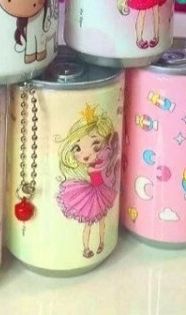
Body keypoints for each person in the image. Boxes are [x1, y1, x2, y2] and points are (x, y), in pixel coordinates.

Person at [56, 104, 120, 258]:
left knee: (100, 221)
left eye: (96, 147)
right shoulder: (93, 167)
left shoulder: (101, 164)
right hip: (92, 194)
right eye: (77, 148)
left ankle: (101, 243)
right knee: (90, 223)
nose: (85, 154)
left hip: (101, 192)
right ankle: (86, 248)